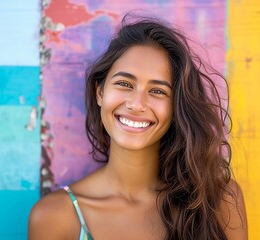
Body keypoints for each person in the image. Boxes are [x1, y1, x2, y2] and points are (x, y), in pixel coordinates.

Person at [28, 14, 247, 240]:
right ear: (100, 92)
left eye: (158, 91)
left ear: (175, 106)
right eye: (124, 84)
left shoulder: (220, 201)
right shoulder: (56, 217)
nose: (137, 104)